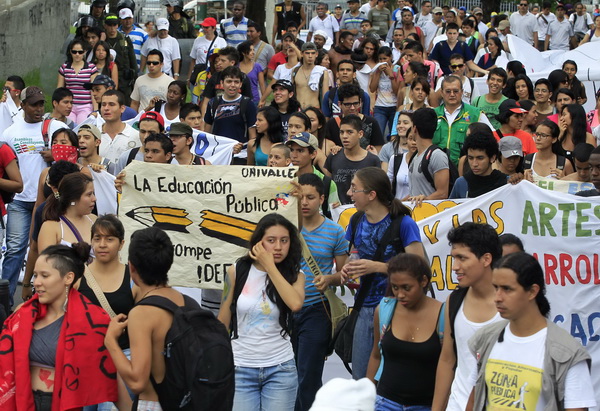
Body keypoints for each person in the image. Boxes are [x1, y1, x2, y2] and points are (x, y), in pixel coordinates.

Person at [466, 252, 596, 411]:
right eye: (496, 288)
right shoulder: (486, 339)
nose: (497, 297)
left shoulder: (567, 353)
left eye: (507, 289)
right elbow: (474, 400)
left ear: (532, 291)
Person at [0, 243, 121, 410]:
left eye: (45, 275)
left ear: (68, 278)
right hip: (21, 400)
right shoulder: (23, 314)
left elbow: (109, 374)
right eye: (35, 275)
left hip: (63, 403)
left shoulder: (93, 320)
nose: (37, 282)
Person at [105, 227, 202, 410]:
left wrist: (110, 340)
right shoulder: (190, 304)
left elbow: (137, 382)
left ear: (132, 267)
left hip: (155, 404)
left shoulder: (142, 313)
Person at [343, 167, 424, 379]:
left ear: (371, 195)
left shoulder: (403, 224)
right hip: (364, 307)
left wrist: (378, 267)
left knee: (393, 378)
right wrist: (348, 268)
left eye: (354, 188)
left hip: (398, 308)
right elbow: (353, 253)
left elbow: (420, 267)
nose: (349, 194)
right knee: (361, 380)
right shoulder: (355, 221)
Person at [218, 213, 305, 410]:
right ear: (258, 242)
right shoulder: (236, 270)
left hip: (280, 368)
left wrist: (269, 266)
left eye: (284, 241)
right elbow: (223, 319)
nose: (278, 247)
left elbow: (295, 304)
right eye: (271, 240)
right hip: (240, 367)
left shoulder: (296, 276)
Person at [1, 87, 68, 306]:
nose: (39, 109)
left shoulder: (55, 127)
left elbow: (74, 149)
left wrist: (55, 153)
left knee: (48, 251)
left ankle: (47, 302)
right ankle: (5, 301)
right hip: (20, 201)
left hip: (50, 199)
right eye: (33, 104)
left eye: (42, 104)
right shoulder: (10, 133)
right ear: (22, 105)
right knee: (14, 250)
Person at [431, 223, 503, 411]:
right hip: (458, 404)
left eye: (462, 258)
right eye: (454, 258)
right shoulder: (454, 301)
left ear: (486, 259)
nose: (455, 267)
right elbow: (447, 360)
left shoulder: (512, 305)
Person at [292, 173, 348, 411]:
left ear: (322, 199)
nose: (305, 202)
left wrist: (330, 278)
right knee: (288, 373)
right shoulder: (287, 227)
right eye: (300, 197)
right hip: (285, 308)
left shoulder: (335, 232)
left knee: (308, 374)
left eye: (310, 197)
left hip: (317, 310)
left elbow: (345, 274)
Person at [366, 253, 443, 410]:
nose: (400, 294)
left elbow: (449, 364)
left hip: (426, 405)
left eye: (406, 288)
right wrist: (366, 396)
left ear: (423, 281)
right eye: (395, 287)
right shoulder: (384, 310)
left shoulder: (443, 314)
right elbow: (375, 355)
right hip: (384, 402)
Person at [433, 76, 492, 165]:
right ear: (441, 93)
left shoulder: (475, 113)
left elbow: (492, 136)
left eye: (456, 91)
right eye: (448, 91)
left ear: (462, 92)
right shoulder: (433, 114)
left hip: (466, 169)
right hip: (437, 168)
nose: (452, 94)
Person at [204, 66, 257, 164]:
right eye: (229, 81)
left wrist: (243, 147)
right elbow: (207, 134)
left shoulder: (248, 104)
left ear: (240, 84)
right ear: (222, 83)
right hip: (218, 156)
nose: (232, 85)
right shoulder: (213, 103)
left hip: (240, 156)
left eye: (236, 82)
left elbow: (253, 137)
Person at [324, 115, 382, 204]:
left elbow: (377, 190)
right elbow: (328, 186)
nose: (344, 136)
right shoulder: (333, 156)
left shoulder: (372, 160)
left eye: (349, 132)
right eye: (341, 132)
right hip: (338, 211)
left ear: (360, 134)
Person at [37, 172, 96, 253]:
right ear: (73, 198)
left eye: (93, 193)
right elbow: (45, 262)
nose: (94, 198)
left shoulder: (95, 220)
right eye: (89, 194)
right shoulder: (50, 227)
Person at [285, 131, 341, 215]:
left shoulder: (327, 183)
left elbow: (334, 215)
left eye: (300, 150)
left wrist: (337, 208)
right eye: (292, 150)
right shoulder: (284, 179)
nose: (294, 155)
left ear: (313, 154)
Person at [407, 107, 450, 202]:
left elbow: (442, 193)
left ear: (414, 129)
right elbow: (414, 192)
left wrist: (425, 199)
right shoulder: (415, 156)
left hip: (431, 214)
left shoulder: (437, 155)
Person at [450, 131, 507, 198]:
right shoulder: (461, 183)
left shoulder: (506, 182)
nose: (474, 164)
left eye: (480, 158)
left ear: (492, 158)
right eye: (470, 158)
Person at [58, 39, 98, 123]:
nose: (77, 54)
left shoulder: (91, 68)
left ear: (85, 52)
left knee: (81, 127)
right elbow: (60, 89)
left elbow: (93, 89)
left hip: (85, 105)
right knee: (68, 128)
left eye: (80, 52)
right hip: (69, 105)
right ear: (70, 52)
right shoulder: (64, 67)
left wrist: (96, 110)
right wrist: (58, 107)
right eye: (74, 52)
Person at [104, 13, 138, 105]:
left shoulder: (125, 40)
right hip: (106, 77)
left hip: (124, 80)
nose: (112, 28)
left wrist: (135, 78)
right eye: (109, 25)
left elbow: (133, 61)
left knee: (125, 104)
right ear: (105, 25)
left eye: (114, 25)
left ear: (118, 25)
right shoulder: (102, 40)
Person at [99, 90, 140, 164]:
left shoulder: (135, 136)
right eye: (103, 104)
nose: (106, 108)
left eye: (111, 104)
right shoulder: (93, 135)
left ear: (122, 108)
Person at [370, 47, 401, 137]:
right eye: (380, 59)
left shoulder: (397, 69)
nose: (383, 61)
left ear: (390, 57)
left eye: (385, 58)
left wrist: (391, 75)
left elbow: (397, 91)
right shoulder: (376, 69)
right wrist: (378, 73)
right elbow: (372, 89)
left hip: (394, 107)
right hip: (380, 107)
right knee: (378, 133)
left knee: (394, 135)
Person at [386, 111, 417, 199]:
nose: (414, 143)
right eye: (399, 123)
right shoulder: (395, 159)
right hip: (398, 207)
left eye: (405, 123)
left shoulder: (427, 159)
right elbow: (388, 185)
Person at [188, 17, 227, 85]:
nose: (204, 29)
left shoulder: (221, 41)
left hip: (214, 74)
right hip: (199, 74)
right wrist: (189, 77)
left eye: (207, 27)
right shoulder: (198, 40)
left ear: (213, 28)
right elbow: (193, 60)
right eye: (203, 27)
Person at [292, 42, 329, 109]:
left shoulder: (322, 72)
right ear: (302, 54)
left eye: (313, 53)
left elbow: (325, 96)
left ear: (316, 54)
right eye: (307, 53)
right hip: (298, 110)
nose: (310, 56)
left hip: (314, 110)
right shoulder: (295, 71)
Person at [237, 40, 266, 104]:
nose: (253, 52)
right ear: (243, 52)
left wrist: (263, 100)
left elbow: (262, 85)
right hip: (240, 99)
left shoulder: (257, 66)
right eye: (250, 50)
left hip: (254, 99)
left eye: (253, 50)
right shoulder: (237, 67)